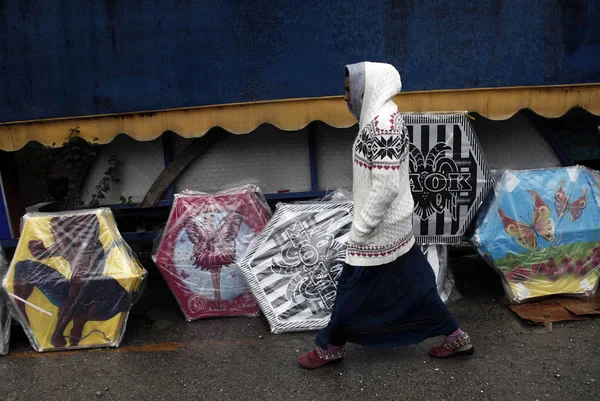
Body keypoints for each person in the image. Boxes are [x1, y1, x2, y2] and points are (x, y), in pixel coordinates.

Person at [297, 62, 474, 369]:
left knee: (353, 286)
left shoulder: (383, 124)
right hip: (393, 224)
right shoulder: (381, 117)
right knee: (415, 284)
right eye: (345, 90)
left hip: (380, 228)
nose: (345, 97)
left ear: (371, 88)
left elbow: (387, 186)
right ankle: (456, 336)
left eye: (351, 90)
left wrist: (361, 228)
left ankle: (331, 346)